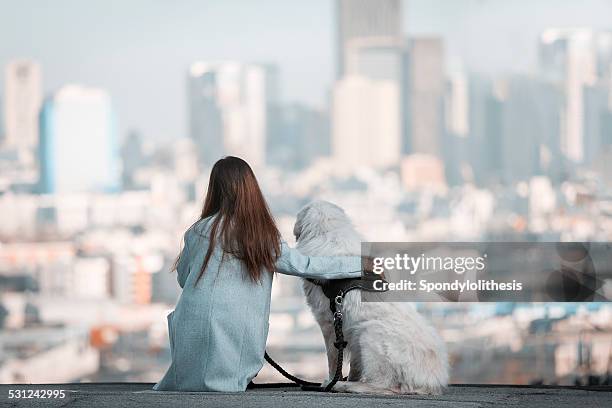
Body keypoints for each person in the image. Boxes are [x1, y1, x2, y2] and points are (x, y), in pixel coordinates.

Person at [154, 156, 365, 392]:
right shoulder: (259, 234)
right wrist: (361, 265)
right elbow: (304, 265)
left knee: (194, 383)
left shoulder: (196, 232)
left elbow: (184, 279)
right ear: (251, 190)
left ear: (213, 190)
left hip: (190, 329)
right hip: (233, 334)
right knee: (225, 386)